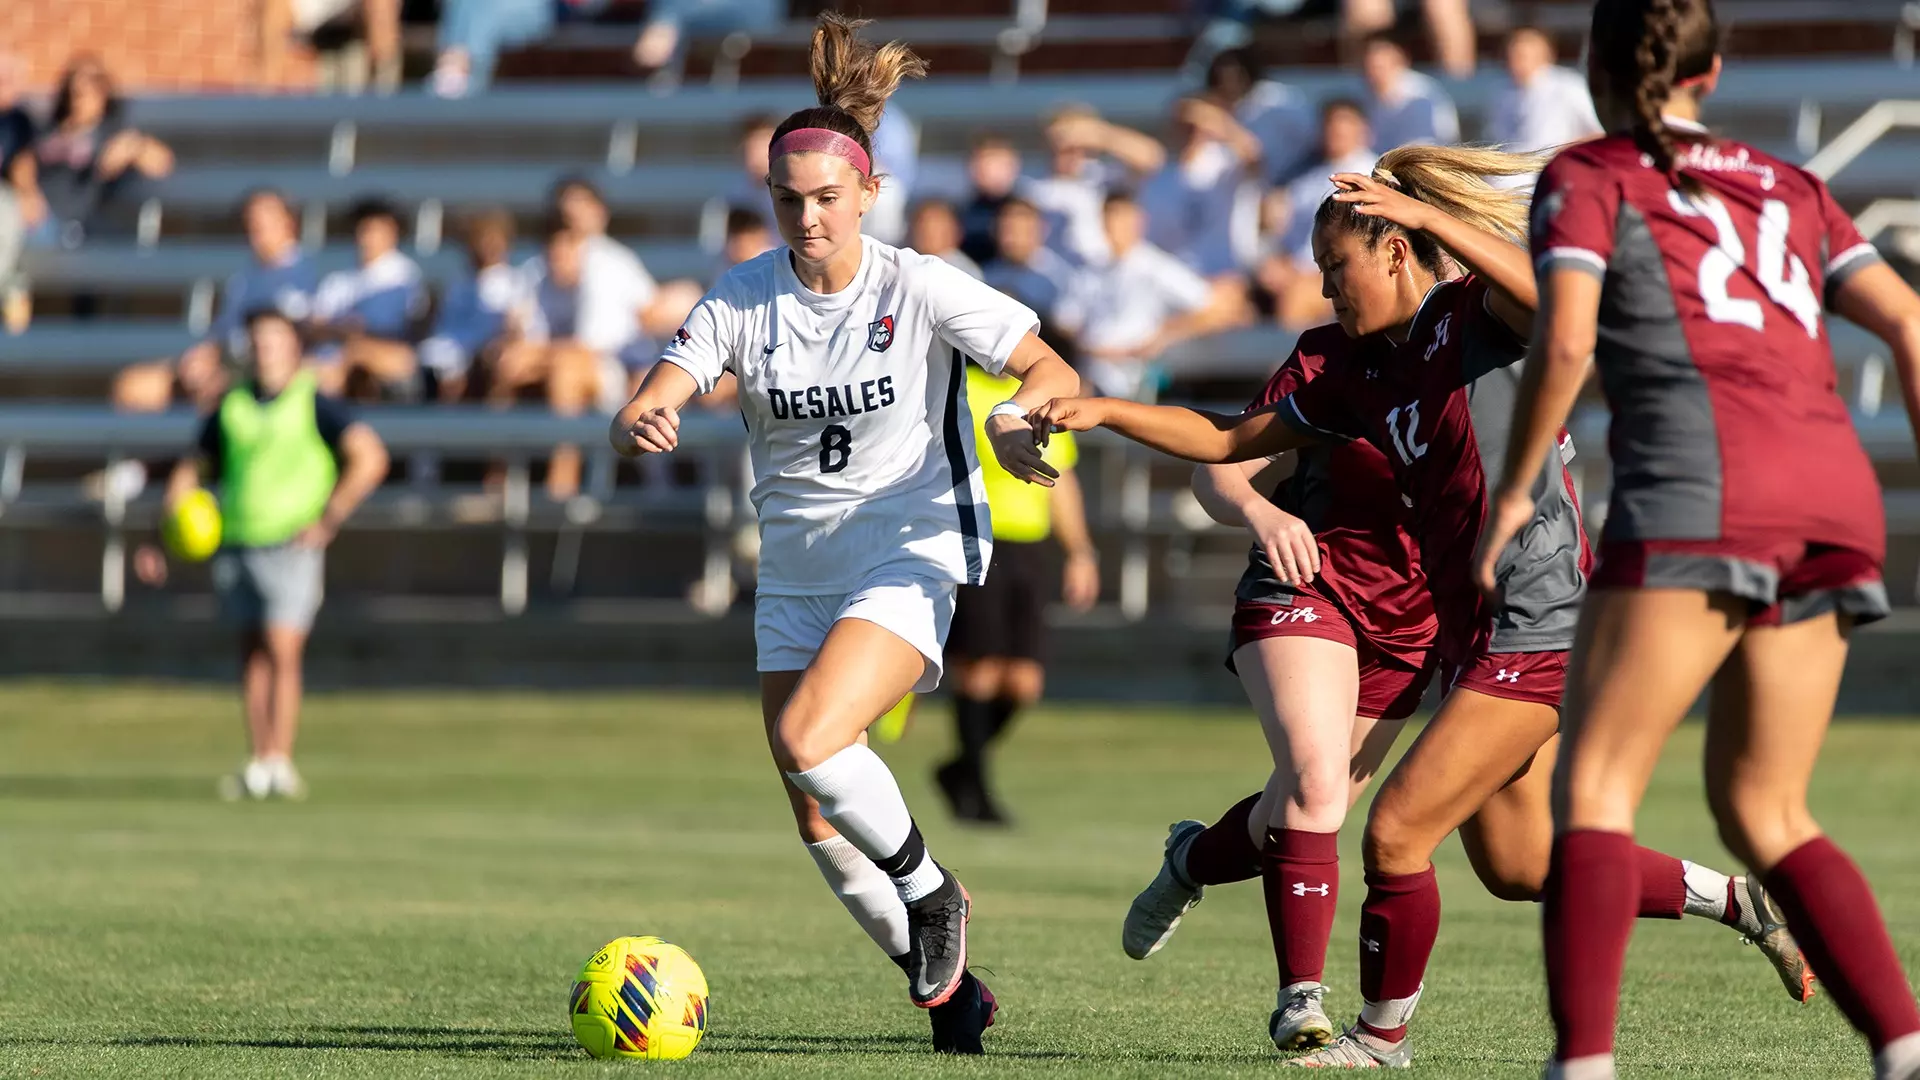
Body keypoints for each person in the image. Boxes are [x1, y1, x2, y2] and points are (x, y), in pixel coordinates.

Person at [1025, 143, 1813, 1068]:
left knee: (1395, 831)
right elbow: (1230, 438)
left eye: (1336, 267)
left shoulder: (1472, 316)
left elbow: (1563, 304)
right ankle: (1738, 900)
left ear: (1396, 249)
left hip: (1544, 620)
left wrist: (1435, 217)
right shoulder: (1362, 372)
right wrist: (1107, 412)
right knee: (1518, 864)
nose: (1326, 289)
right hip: (1476, 635)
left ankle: (1378, 1039)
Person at [608, 13, 1079, 1054]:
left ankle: (934, 891)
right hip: (795, 574)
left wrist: (1018, 415)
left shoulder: (919, 283)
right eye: (789, 199)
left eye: (827, 197)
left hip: (907, 550)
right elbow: (654, 390)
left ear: (869, 192)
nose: (808, 216)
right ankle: (956, 1001)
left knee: (810, 739)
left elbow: (1051, 367)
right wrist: (643, 416)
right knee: (818, 813)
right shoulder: (744, 296)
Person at [1471, 3, 1920, 1078]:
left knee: (1595, 790)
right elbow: (1908, 319)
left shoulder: (1590, 175)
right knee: (1766, 807)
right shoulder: (1792, 185)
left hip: (1699, 486)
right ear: (1710, 73)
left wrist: (1516, 489)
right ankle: (1905, 1050)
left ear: (1593, 68)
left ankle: (1583, 1065)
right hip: (1833, 495)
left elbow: (1565, 340)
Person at [1117, 326, 1437, 1053]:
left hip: (1414, 622)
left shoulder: (1484, 355)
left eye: (1337, 272)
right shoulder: (1330, 356)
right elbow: (1219, 467)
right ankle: (1300, 999)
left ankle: (1191, 860)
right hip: (1304, 584)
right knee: (1315, 787)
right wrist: (1262, 512)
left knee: (1298, 816)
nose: (1328, 289)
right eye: (1325, 272)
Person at [140, 308, 388, 800]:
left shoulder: (314, 402)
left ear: (294, 348)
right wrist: (161, 533)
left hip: (290, 542)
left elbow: (369, 456)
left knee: (283, 649)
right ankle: (259, 757)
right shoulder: (231, 406)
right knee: (251, 652)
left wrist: (330, 517)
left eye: (275, 340)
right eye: (258, 341)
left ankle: (281, 758)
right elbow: (192, 470)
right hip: (237, 538)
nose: (266, 350)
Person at [935, 359, 1100, 824]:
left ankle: (960, 767)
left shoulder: (1041, 393)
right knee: (980, 669)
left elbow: (1061, 481)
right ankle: (976, 788)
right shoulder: (960, 388)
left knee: (1025, 681)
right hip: (974, 538)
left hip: (1030, 548)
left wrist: (1080, 552)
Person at [30, 55, 173, 249]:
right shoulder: (49, 131)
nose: (77, 99)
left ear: (103, 94)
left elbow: (162, 163)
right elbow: (23, 161)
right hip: (34, 214)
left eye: (87, 90)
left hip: (73, 225)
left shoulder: (109, 133)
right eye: (73, 91)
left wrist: (135, 146)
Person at [308, 198, 429, 400]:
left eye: (374, 229)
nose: (366, 237)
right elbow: (315, 326)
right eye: (362, 229)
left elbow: (395, 331)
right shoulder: (338, 279)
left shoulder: (405, 276)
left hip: (380, 357)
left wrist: (345, 331)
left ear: (392, 231)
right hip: (332, 357)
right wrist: (344, 330)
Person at [1022, 105, 1165, 267]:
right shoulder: (1031, 185)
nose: (1071, 151)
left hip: (1101, 271)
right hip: (1050, 273)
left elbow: (1151, 159)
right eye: (1061, 146)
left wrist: (1100, 135)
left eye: (1080, 146)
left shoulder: (1100, 175)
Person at [1138, 96, 1263, 280]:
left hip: (1227, 275)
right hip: (1178, 278)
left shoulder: (1227, 163)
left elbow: (1255, 157)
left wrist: (1218, 122)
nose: (1191, 132)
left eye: (1197, 125)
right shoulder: (1160, 176)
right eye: (1183, 126)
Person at [420, 206, 520, 402]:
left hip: (486, 358)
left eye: (494, 238)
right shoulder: (457, 284)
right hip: (448, 354)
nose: (487, 246)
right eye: (481, 238)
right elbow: (444, 330)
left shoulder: (515, 282)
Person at [1484, 25, 1601, 156]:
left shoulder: (1568, 86)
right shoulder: (1502, 93)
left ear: (1543, 55)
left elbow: (1600, 133)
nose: (1514, 62)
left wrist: (1566, 151)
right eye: (1510, 56)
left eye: (1522, 56)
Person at [1359, 33, 1459, 154]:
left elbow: (1422, 149)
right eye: (1368, 67)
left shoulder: (1422, 94)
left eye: (1379, 67)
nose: (1373, 73)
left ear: (1400, 61)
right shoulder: (1366, 94)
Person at [907, 199, 980, 278]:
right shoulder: (905, 262)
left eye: (935, 228)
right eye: (921, 226)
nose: (926, 233)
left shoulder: (964, 271)